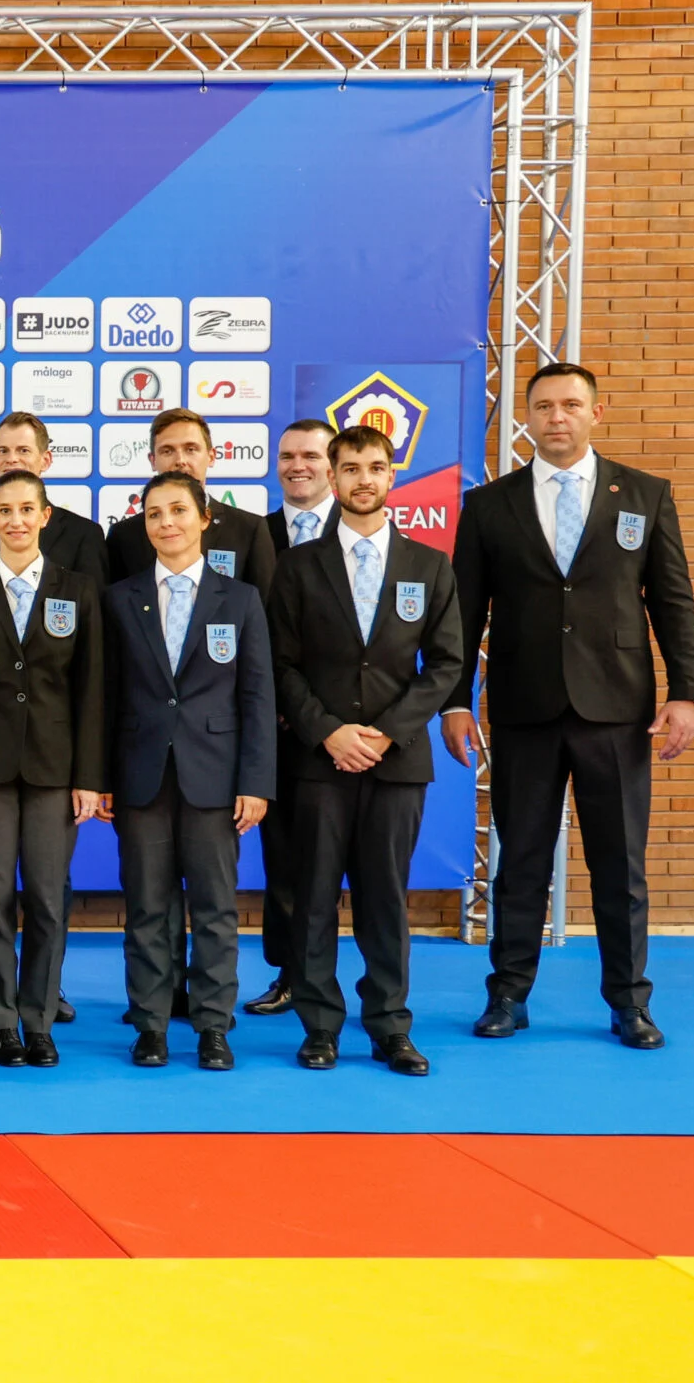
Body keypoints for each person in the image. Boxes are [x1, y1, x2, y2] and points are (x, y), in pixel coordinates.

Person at [442, 363, 694, 1049]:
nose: (557, 416)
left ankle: (629, 1002)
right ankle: (507, 994)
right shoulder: (489, 505)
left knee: (620, 863)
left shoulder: (644, 494)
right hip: (525, 707)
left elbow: (673, 600)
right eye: (543, 406)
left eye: (570, 404)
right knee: (520, 858)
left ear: (596, 411)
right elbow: (464, 616)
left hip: (617, 707)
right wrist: (454, 702)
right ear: (526, 416)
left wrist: (686, 692)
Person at [268, 426, 464, 1075]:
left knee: (386, 898)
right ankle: (319, 1025)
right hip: (318, 761)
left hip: (397, 761)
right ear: (331, 472)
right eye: (349, 467)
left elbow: (445, 664)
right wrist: (328, 731)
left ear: (392, 474)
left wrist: (386, 731)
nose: (362, 479)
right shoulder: (296, 566)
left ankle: (389, 1025)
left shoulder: (428, 565)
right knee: (314, 896)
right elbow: (282, 664)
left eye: (375, 467)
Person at [101, 471, 275, 1071]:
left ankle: (212, 1026)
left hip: (216, 779)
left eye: (178, 510)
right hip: (141, 776)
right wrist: (100, 777)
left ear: (205, 518)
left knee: (216, 907)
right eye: (153, 514)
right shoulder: (119, 598)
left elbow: (257, 696)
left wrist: (255, 782)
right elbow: (105, 697)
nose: (166, 523)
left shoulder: (241, 598)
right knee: (147, 906)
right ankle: (150, 1024)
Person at [0, 470, 103, 1068]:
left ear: (45, 515)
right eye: (5, 510)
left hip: (58, 772)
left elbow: (92, 691)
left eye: (27, 509)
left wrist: (90, 776)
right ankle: (3, 1020)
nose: (16, 520)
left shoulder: (78, 589)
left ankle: (39, 1021)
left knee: (50, 900)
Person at [247, 418, 338, 1018]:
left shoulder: (367, 529)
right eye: (286, 455)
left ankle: (330, 982)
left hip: (339, 732)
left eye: (310, 455)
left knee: (330, 864)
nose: (296, 465)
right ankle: (288, 974)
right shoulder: (255, 532)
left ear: (335, 465)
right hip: (273, 728)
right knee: (282, 862)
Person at [104, 408, 278, 591]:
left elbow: (263, 609)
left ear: (211, 456)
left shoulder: (249, 529)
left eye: (191, 449)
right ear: (153, 460)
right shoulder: (123, 536)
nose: (180, 460)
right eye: (167, 451)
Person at [0, 413, 107, 586]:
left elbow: (93, 605)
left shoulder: (84, 534)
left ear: (46, 460)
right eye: (3, 451)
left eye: (23, 450)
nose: (12, 459)